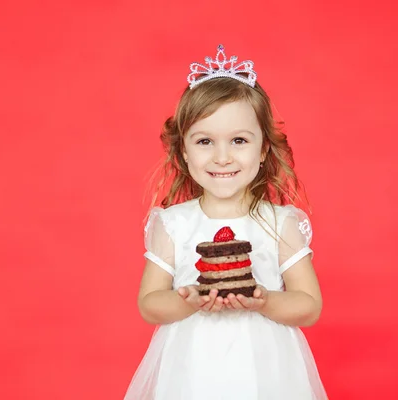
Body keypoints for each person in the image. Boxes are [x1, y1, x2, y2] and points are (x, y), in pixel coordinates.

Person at [124, 44, 328, 400]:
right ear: (184, 151)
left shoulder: (280, 223)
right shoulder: (173, 223)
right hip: (192, 368)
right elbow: (149, 303)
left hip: (268, 369)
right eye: (205, 141)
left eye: (238, 140)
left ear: (263, 148)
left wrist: (265, 302)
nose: (222, 157)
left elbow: (309, 305)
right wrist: (187, 301)